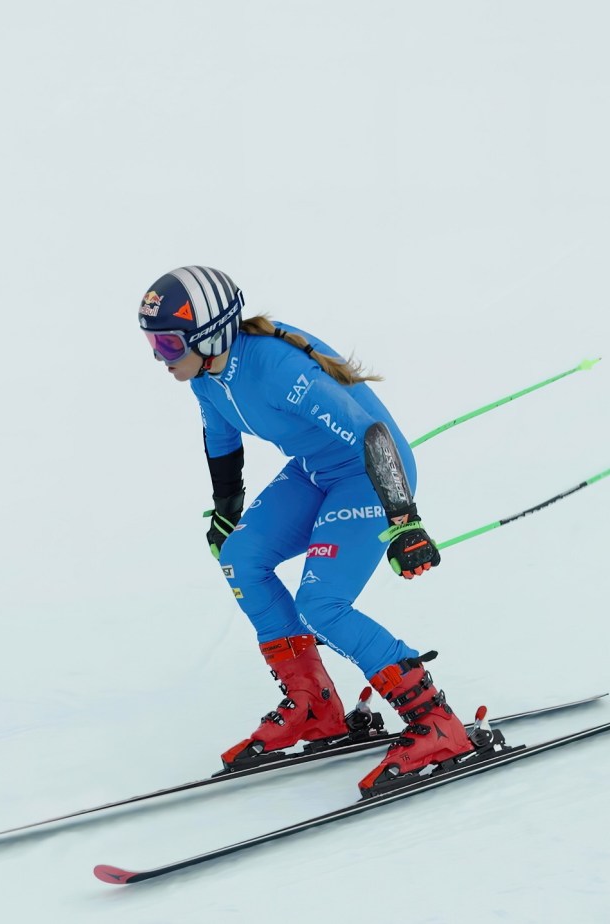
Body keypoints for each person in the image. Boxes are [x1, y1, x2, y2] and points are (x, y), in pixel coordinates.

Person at [138, 265, 474, 795]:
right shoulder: (205, 377)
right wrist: (226, 511)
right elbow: (221, 442)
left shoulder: (277, 369)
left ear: (210, 335)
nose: (161, 357)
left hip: (368, 476)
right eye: (154, 344)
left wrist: (404, 520)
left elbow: (370, 432)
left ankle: (435, 721)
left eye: (168, 343)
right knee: (241, 556)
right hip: (315, 472)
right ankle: (315, 705)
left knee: (321, 604)